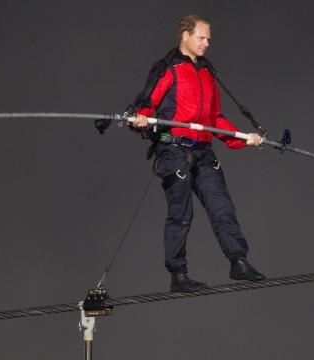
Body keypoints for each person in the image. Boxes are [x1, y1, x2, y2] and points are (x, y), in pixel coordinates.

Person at [129, 15, 265, 292]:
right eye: (201, 38)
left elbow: (214, 119)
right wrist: (140, 120)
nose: (206, 43)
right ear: (186, 36)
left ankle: (239, 262)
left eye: (209, 39)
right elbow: (145, 105)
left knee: (222, 208)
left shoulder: (206, 72)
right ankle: (178, 275)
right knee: (181, 214)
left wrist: (245, 139)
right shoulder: (168, 68)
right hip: (174, 151)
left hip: (203, 152)